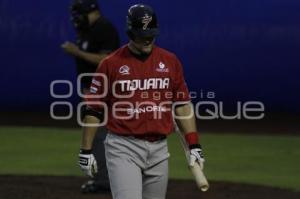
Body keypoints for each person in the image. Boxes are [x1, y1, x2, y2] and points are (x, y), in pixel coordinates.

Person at [78, 4, 205, 199]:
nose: (147, 39)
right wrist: (85, 150)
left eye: (151, 34)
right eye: (141, 35)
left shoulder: (170, 61)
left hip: (160, 150)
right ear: (130, 33)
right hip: (123, 148)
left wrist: (194, 145)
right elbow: (93, 109)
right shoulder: (110, 64)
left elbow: (182, 105)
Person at [61, 0, 120, 194]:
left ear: (90, 11)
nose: (75, 18)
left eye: (78, 13)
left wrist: (77, 52)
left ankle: (107, 180)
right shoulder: (88, 29)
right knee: (99, 135)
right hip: (93, 90)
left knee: (99, 135)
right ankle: (108, 178)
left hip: (103, 91)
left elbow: (107, 59)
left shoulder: (104, 28)